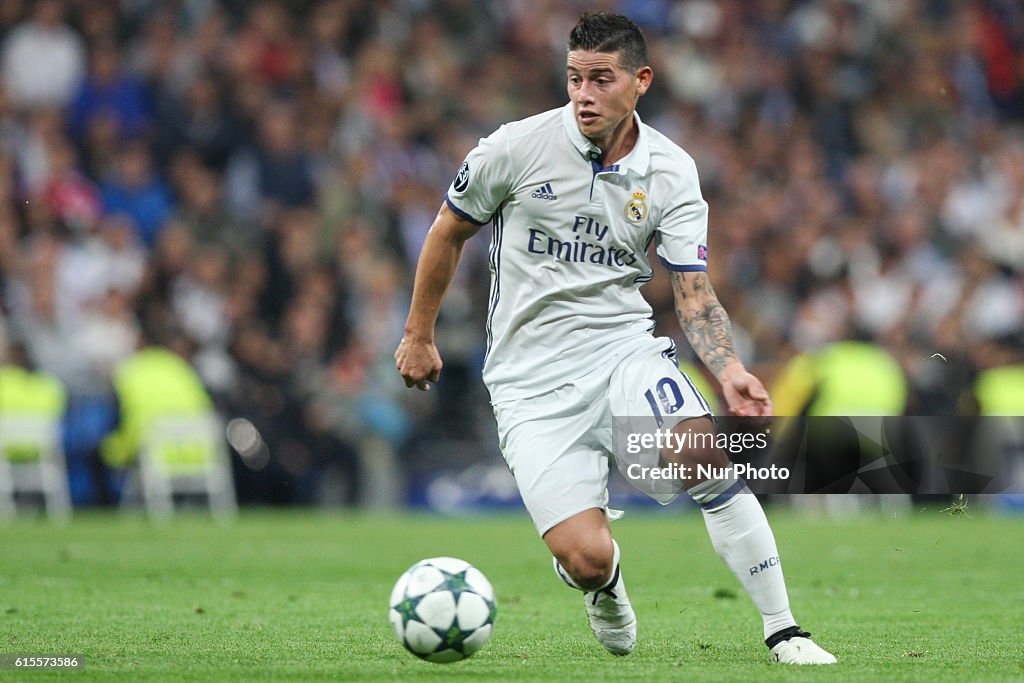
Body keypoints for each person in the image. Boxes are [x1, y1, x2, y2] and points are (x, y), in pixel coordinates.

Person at [395, 12, 836, 665]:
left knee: (702, 451)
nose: (584, 94)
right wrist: (417, 333)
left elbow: (692, 288)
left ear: (641, 81)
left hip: (622, 351)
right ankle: (603, 584)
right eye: (575, 78)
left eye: (602, 79)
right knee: (586, 554)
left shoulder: (671, 170)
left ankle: (784, 628)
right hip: (529, 379)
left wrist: (730, 368)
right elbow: (447, 230)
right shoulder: (513, 148)